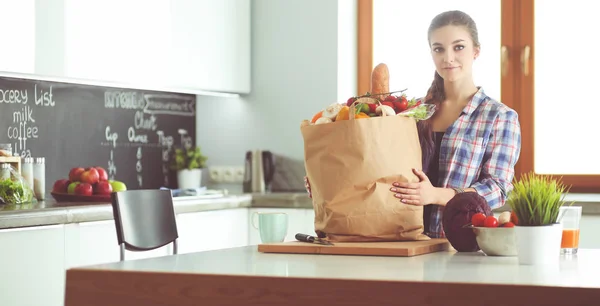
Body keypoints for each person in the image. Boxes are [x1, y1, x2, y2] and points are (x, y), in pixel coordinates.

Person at [304, 10, 521, 239]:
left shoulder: (500, 117)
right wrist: (328, 176)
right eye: (439, 49)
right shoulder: (412, 113)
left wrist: (435, 195)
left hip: (455, 243)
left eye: (458, 47)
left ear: (476, 51)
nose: (448, 58)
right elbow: (375, 162)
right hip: (398, 237)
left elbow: (498, 189)